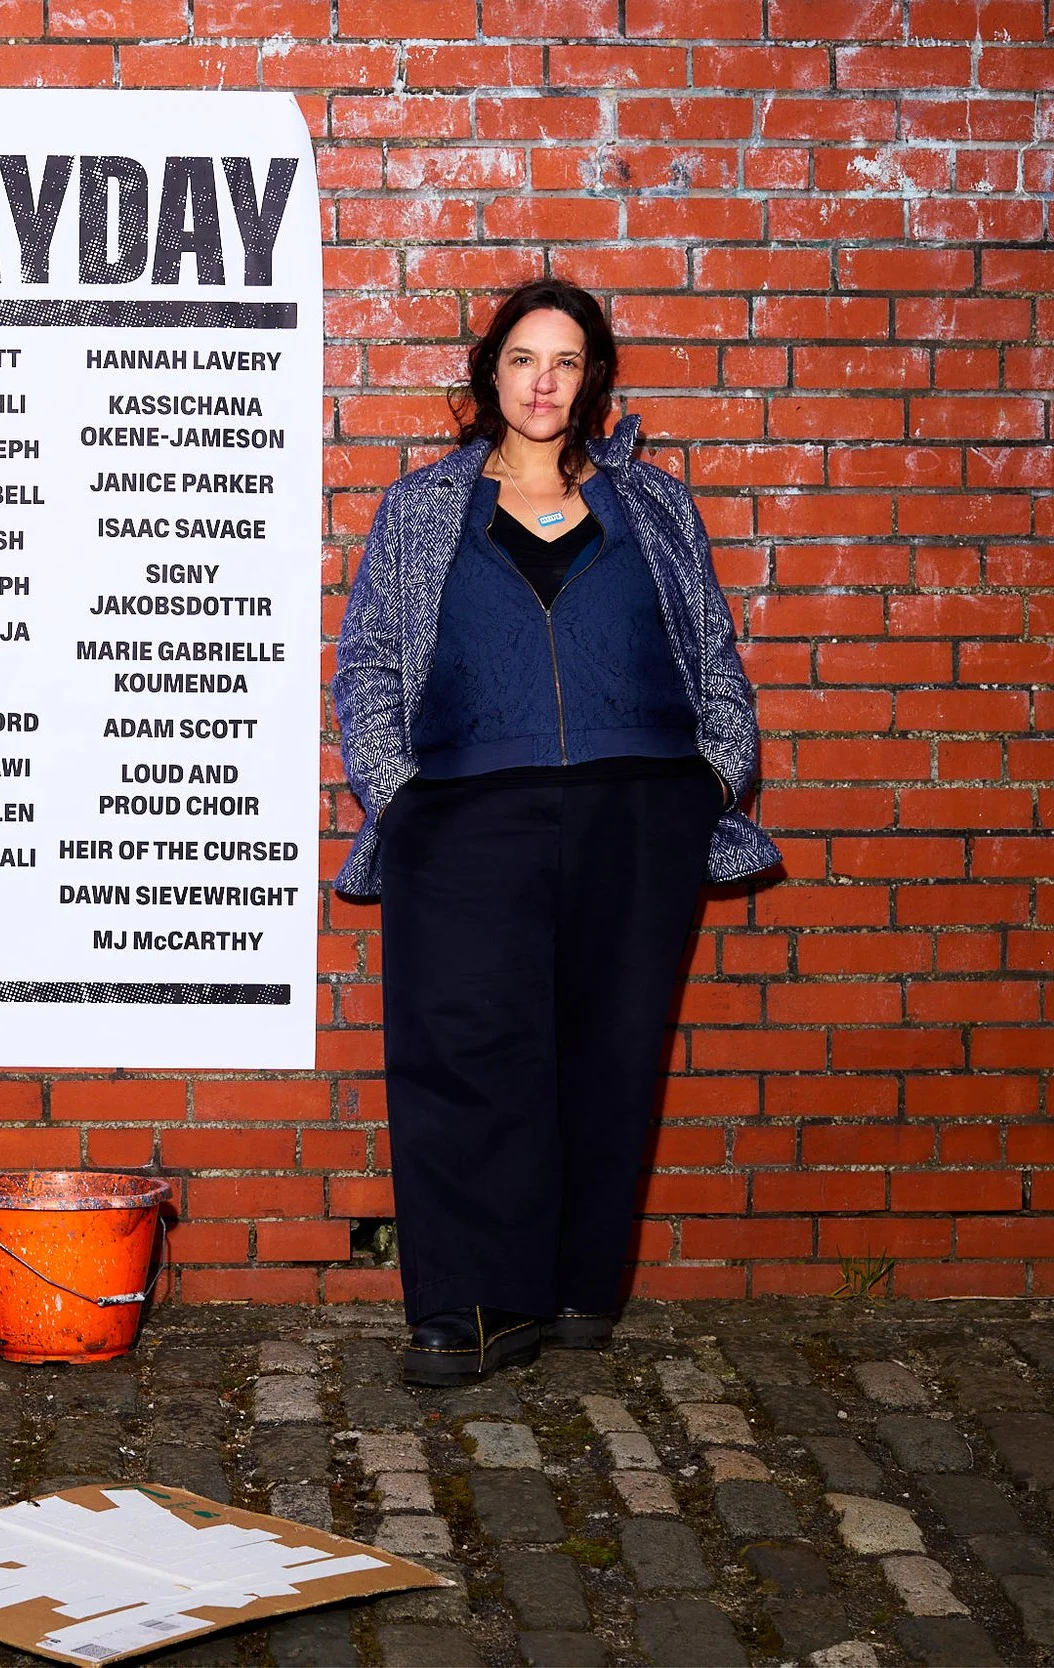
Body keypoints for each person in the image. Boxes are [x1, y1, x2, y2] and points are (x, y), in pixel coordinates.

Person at [332, 278, 780, 1387]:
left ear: (592, 381)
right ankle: (474, 1306)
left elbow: (713, 658)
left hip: (639, 812)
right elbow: (370, 665)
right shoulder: (425, 507)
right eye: (523, 359)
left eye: (566, 362)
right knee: (467, 1055)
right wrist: (401, 795)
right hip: (468, 814)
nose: (543, 382)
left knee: (607, 1052)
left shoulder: (656, 506)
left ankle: (577, 1286)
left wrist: (709, 782)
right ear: (489, 375)